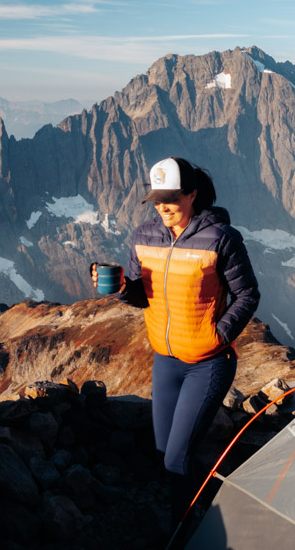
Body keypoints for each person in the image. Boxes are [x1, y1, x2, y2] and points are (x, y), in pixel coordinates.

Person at [92, 157, 260, 525]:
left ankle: (180, 536)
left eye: (171, 198)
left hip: (208, 363)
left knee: (175, 458)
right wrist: (121, 288)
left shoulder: (220, 238)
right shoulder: (144, 236)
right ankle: (219, 504)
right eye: (156, 198)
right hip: (165, 362)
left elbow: (247, 295)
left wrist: (219, 336)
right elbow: (142, 295)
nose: (162, 206)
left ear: (192, 194)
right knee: (166, 450)